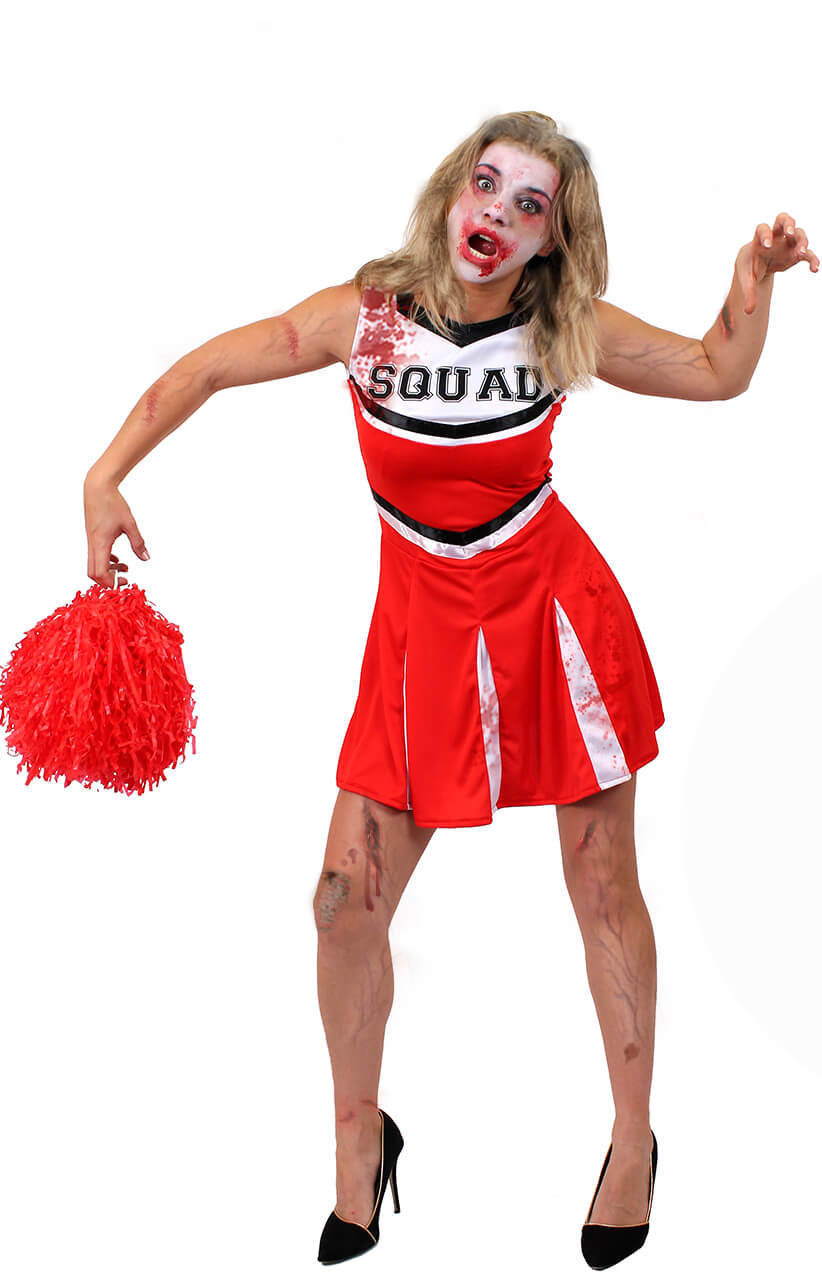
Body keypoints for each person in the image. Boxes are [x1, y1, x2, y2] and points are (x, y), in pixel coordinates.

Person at [83, 110, 817, 1268]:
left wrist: (751, 279)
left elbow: (718, 370)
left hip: (554, 627)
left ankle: (633, 1142)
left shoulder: (564, 330)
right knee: (344, 904)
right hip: (420, 641)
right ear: (452, 192)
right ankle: (357, 1146)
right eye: (488, 185)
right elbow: (212, 365)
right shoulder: (368, 318)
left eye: (532, 205)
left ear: (552, 241)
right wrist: (105, 474)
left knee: (602, 890)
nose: (499, 214)